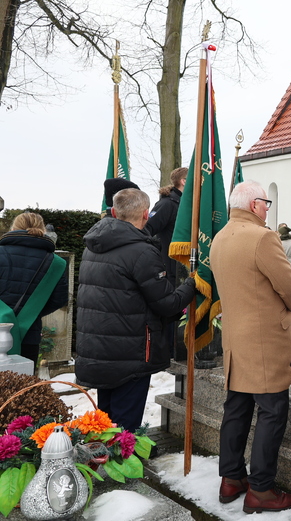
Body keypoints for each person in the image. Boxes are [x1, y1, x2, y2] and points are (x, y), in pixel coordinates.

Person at [209, 180, 291, 513]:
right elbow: (287, 285)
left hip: (235, 338)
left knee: (236, 409)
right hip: (265, 339)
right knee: (272, 412)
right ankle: (261, 489)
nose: (267, 209)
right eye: (266, 203)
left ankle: (231, 478)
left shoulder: (220, 238)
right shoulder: (262, 237)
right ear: (253, 205)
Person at [75, 188, 196, 432]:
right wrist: (193, 283)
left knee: (105, 424)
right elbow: (167, 304)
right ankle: (123, 467)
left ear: (113, 212)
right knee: (123, 430)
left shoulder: (94, 245)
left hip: (99, 349)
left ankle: (104, 465)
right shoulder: (140, 250)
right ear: (145, 214)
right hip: (130, 353)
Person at [0, 213, 68, 367]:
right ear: (42, 229)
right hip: (29, 334)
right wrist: (32, 312)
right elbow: (60, 299)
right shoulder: (55, 262)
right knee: (24, 386)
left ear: (14, 228)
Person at [145, 167, 189, 358]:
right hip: (171, 270)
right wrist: (161, 254)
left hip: (184, 270)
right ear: (184, 181)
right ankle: (169, 351)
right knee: (172, 312)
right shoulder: (168, 204)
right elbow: (146, 230)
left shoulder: (185, 203)